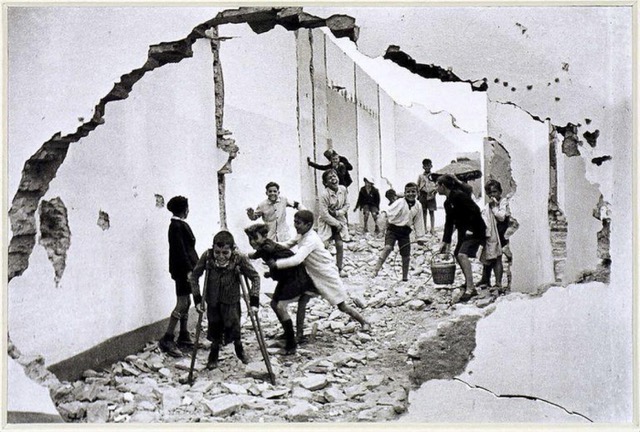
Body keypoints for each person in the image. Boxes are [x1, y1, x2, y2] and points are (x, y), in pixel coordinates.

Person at [267, 210, 370, 331]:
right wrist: (267, 244)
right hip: (313, 276)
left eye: (298, 223)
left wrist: (276, 265)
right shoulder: (301, 234)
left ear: (308, 225)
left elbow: (297, 260)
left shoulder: (311, 239)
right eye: (295, 222)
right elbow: (287, 244)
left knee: (342, 306)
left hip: (327, 275)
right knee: (303, 300)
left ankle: (364, 322)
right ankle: (299, 335)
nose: (295, 225)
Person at [189, 231, 261, 370]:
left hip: (231, 300)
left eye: (225, 253)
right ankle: (213, 354)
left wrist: (254, 302)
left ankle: (239, 349)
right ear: (213, 249)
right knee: (214, 326)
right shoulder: (208, 256)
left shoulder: (238, 257)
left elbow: (255, 277)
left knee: (234, 326)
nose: (221, 256)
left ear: (232, 250)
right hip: (213, 300)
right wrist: (198, 300)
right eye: (217, 252)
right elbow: (194, 277)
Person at [244, 223, 317, 355]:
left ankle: (291, 344)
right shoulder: (266, 246)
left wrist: (241, 255)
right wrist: (271, 273)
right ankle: (287, 333)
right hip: (287, 277)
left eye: (255, 238)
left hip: (295, 277)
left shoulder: (266, 248)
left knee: (280, 306)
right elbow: (275, 264)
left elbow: (255, 256)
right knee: (274, 304)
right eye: (250, 239)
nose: (252, 242)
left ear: (265, 236)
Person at [159, 196, 199, 358]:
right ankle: (167, 338)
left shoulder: (179, 225)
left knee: (187, 301)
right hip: (183, 271)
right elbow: (180, 251)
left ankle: (184, 335)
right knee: (182, 303)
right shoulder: (176, 226)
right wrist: (189, 271)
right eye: (187, 207)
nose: (188, 210)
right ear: (184, 209)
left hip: (186, 270)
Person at [436, 174, 487, 303]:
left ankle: (471, 288)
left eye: (437, 185)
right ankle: (468, 282)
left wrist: (471, 228)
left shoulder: (459, 196)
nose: (436, 188)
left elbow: (475, 210)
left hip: (474, 230)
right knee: (457, 254)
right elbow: (449, 222)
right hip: (463, 232)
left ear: (443, 186)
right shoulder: (448, 202)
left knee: (462, 254)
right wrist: (445, 241)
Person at [372, 183, 426, 282]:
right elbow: (388, 210)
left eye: (413, 192)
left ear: (417, 193)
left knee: (406, 255)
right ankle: (375, 270)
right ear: (404, 193)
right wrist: (382, 218)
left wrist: (420, 237)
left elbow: (419, 221)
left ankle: (405, 277)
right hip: (393, 229)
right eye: (408, 192)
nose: (411, 194)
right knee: (388, 248)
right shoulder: (400, 202)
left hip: (405, 232)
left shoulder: (418, 205)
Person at [477, 180, 513, 292]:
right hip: (491, 234)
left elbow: (502, 216)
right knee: (488, 256)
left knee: (497, 257)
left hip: (500, 234)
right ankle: (485, 279)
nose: (493, 195)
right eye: (490, 193)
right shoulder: (488, 206)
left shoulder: (503, 202)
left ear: (500, 192)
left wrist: (494, 208)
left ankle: (498, 283)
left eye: (495, 192)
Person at [317, 169, 350, 277]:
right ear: (326, 183)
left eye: (334, 176)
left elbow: (347, 205)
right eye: (330, 178)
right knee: (323, 246)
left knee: (339, 244)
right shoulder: (324, 194)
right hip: (327, 222)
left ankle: (339, 269)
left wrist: (337, 213)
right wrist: (336, 223)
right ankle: (320, 271)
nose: (333, 179)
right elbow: (324, 214)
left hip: (339, 219)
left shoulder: (343, 189)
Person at [417, 158, 438, 235]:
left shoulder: (434, 176)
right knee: (424, 212)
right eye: (425, 166)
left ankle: (432, 228)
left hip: (431, 195)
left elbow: (437, 185)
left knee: (431, 212)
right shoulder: (420, 176)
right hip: (423, 195)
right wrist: (418, 195)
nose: (427, 167)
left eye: (428, 165)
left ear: (431, 166)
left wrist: (434, 192)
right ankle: (424, 228)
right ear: (423, 167)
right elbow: (418, 186)